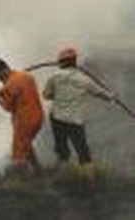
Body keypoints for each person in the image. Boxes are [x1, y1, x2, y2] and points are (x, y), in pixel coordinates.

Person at [42, 47, 115, 176]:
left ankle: (63, 176)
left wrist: (59, 95)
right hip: (75, 120)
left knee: (62, 149)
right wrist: (112, 96)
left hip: (57, 118)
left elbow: (46, 95)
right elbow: (101, 93)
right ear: (74, 61)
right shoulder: (85, 80)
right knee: (82, 151)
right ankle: (90, 179)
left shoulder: (54, 76)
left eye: (60, 61)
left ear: (63, 62)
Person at [0, 58, 44, 174]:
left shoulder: (10, 85)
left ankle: (17, 180)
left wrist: (0, 100)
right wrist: (4, 91)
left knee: (17, 154)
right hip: (37, 117)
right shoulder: (25, 76)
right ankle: (38, 171)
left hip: (24, 121)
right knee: (26, 145)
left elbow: (9, 107)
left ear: (3, 70)